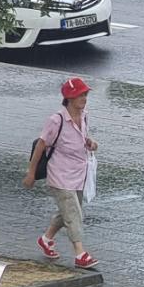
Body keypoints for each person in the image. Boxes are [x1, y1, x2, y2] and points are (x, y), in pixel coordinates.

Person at [23, 76, 99, 268]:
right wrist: (31, 173)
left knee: (69, 211)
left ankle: (46, 239)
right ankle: (80, 254)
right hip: (60, 176)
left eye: (85, 94)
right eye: (81, 95)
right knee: (73, 214)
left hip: (79, 174)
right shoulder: (56, 120)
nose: (84, 98)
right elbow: (41, 145)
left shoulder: (84, 115)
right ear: (70, 98)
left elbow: (82, 136)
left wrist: (90, 142)